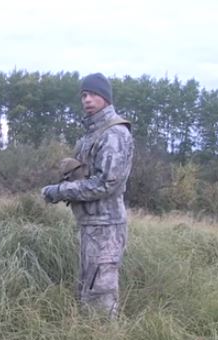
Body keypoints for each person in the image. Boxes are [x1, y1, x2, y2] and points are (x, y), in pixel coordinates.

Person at [41, 72, 134, 319]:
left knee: (101, 298)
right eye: (83, 95)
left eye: (93, 94)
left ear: (105, 97)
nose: (87, 100)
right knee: (87, 290)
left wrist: (60, 191)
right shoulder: (93, 133)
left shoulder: (114, 133)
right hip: (91, 224)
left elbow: (106, 184)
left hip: (106, 228)